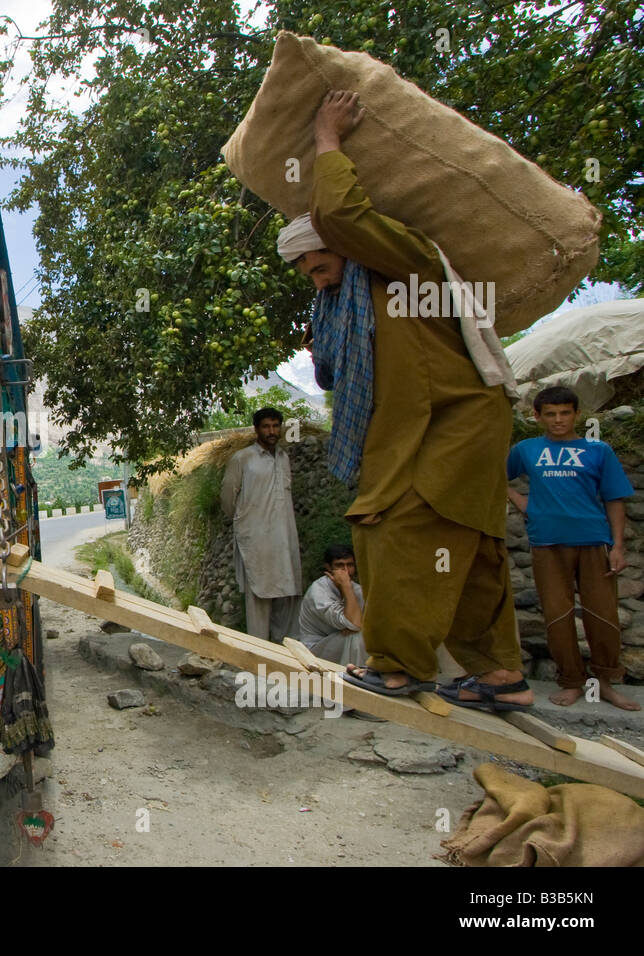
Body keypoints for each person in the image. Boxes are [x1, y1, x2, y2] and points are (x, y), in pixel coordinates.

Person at [279, 90, 531, 711]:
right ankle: (502, 676)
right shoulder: (342, 304)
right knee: (470, 552)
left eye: (320, 263)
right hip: (423, 432)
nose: (318, 277)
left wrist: (328, 140)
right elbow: (342, 375)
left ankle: (398, 667)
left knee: (397, 531)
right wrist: (320, 355)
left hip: (455, 424)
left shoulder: (403, 263)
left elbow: (341, 212)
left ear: (346, 245)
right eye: (308, 272)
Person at [507, 386, 640, 711]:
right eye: (550, 414)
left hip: (594, 541)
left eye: (565, 413)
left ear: (576, 414)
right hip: (547, 542)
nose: (558, 420)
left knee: (603, 615)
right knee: (557, 615)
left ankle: (606, 682)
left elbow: (614, 498)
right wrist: (521, 501)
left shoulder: (598, 450)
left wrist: (618, 545)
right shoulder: (526, 449)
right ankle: (571, 682)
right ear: (537, 416)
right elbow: (497, 476)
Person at [219, 407, 302, 642]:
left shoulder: (283, 459)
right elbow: (227, 497)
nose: (271, 431)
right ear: (257, 429)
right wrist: (244, 520)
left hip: (284, 538)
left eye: (276, 426)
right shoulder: (243, 459)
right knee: (259, 595)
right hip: (256, 539)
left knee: (287, 595)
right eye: (266, 426)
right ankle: (258, 655)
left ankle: (284, 653)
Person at [298, 543, 365, 666]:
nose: (346, 571)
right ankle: (354, 678)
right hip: (314, 650)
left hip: (341, 640)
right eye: (339, 566)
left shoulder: (357, 590)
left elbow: (361, 623)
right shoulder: (318, 591)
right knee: (356, 636)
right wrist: (346, 586)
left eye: (349, 565)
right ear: (328, 567)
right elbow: (355, 624)